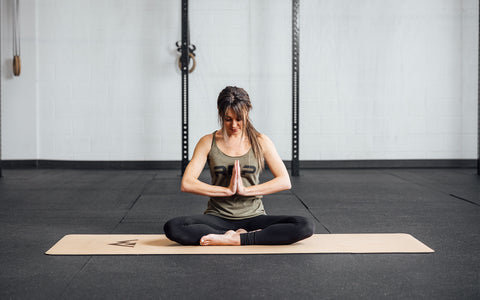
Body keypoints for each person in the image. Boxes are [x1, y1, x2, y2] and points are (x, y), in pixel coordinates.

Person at [163, 86, 314, 246]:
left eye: (239, 118)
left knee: (304, 225)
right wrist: (226, 191)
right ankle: (234, 236)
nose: (234, 124)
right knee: (174, 227)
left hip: (254, 217)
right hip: (217, 217)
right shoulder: (207, 142)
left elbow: (284, 181)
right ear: (220, 114)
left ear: (247, 112)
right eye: (228, 119)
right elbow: (187, 183)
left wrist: (245, 191)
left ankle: (234, 238)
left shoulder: (261, 141)